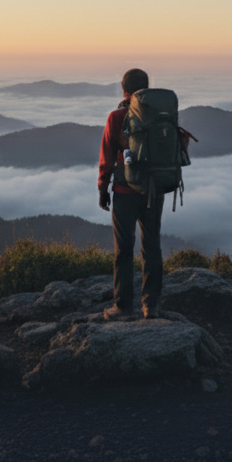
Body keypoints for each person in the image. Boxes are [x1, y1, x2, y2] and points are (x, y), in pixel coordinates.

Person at [97, 68, 164, 320]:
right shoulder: (160, 115)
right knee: (152, 247)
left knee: (123, 250)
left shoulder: (117, 117)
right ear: (147, 88)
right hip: (154, 191)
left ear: (124, 91)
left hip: (124, 191)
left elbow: (106, 157)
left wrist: (103, 188)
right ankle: (151, 306)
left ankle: (123, 307)